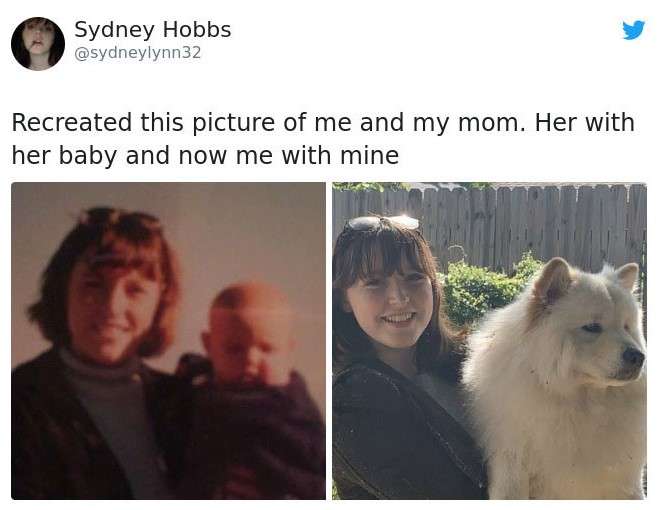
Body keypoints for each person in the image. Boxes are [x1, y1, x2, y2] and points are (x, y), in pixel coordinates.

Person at [12, 207, 188, 499]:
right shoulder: (18, 403)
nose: (112, 307)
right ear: (62, 292)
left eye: (134, 290)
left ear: (160, 302)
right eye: (94, 285)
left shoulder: (185, 400)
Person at [332, 215, 487, 499]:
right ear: (344, 298)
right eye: (375, 282)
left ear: (432, 284)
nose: (400, 297)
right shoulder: (350, 402)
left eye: (414, 277)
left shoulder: (470, 364)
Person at [176, 281, 325, 499]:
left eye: (267, 349)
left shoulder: (291, 411)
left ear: (288, 352)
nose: (251, 360)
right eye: (234, 349)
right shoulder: (200, 391)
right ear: (209, 347)